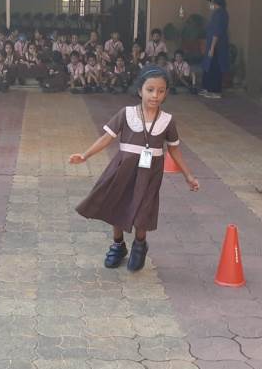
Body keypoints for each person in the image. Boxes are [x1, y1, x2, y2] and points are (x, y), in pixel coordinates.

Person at [70, 65, 199, 273]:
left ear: (166, 93)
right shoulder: (127, 113)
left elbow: (174, 150)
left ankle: (140, 244)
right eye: (150, 90)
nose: (155, 95)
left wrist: (188, 175)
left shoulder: (167, 121)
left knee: (143, 208)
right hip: (123, 168)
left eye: (161, 91)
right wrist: (85, 155)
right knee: (117, 203)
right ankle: (118, 245)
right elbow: (107, 138)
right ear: (140, 90)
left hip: (150, 173)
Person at [200, 0, 230, 99]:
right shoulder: (216, 13)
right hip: (212, 45)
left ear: (213, 2)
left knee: (214, 68)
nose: (208, 5)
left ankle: (215, 91)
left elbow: (217, 32)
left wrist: (212, 48)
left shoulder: (220, 13)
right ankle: (207, 88)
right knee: (208, 67)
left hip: (217, 46)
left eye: (209, 2)